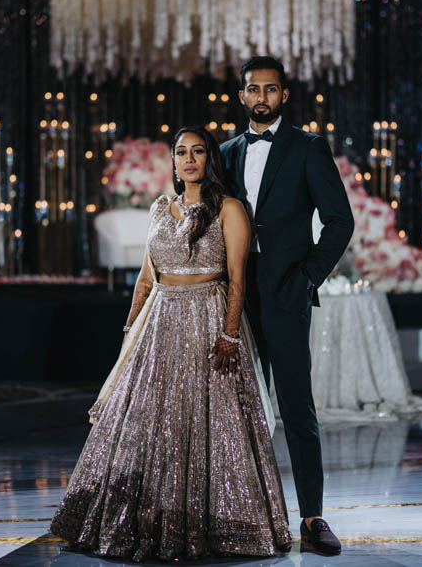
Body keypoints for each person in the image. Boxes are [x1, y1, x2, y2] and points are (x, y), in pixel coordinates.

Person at [49, 126, 292, 561]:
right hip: (159, 322)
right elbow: (146, 278)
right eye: (182, 152)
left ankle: (211, 523)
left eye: (198, 152)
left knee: (213, 426)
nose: (190, 159)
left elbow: (237, 279)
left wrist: (229, 334)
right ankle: (139, 521)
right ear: (174, 162)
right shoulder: (161, 209)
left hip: (208, 318)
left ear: (209, 160)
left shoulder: (230, 209)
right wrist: (129, 335)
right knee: (147, 425)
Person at [220, 56, 355, 555]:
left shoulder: (307, 148)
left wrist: (307, 278)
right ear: (241, 96)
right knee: (236, 410)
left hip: (285, 293)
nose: (261, 98)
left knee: (297, 407)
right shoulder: (228, 152)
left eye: (270, 90)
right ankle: (239, 514)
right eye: (253, 89)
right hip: (232, 296)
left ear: (284, 95)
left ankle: (313, 517)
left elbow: (340, 220)